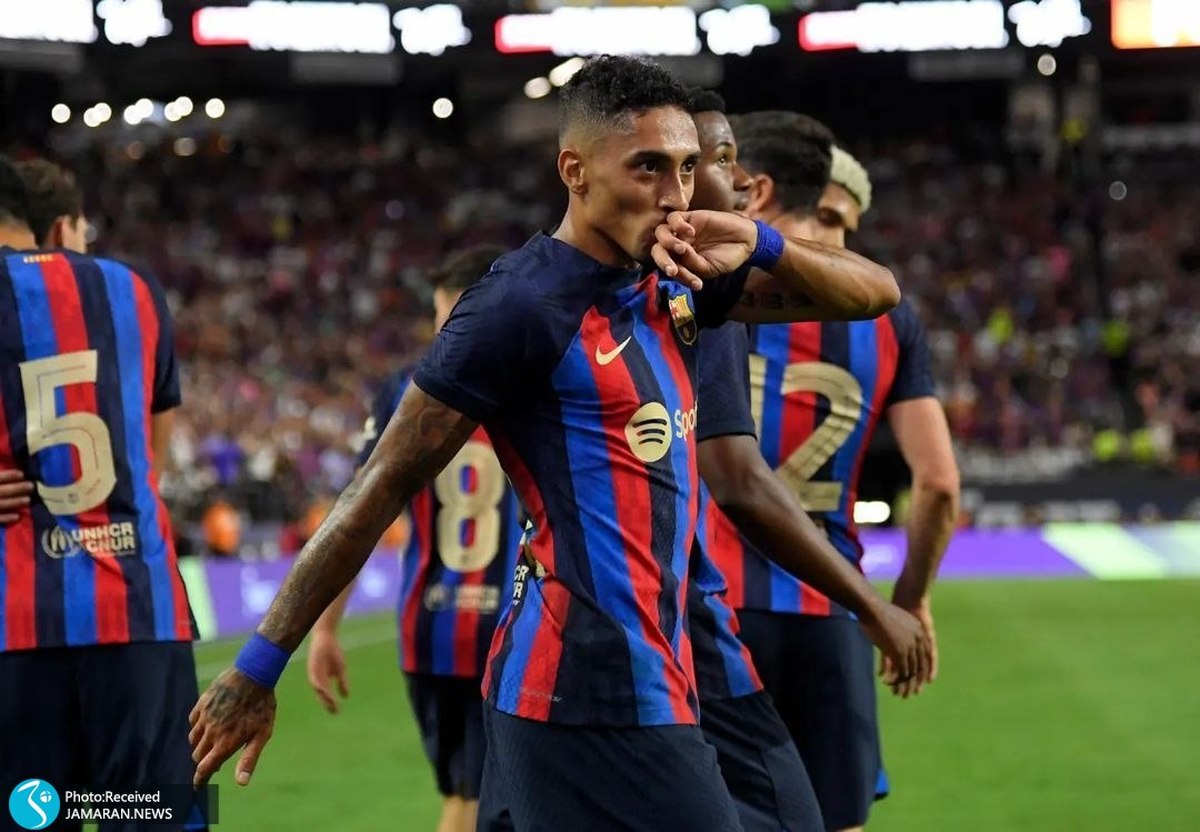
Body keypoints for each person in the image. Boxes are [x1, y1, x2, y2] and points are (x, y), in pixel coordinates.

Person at [189, 56, 926, 831]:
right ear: (574, 170)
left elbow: (877, 294)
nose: (676, 194)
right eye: (648, 168)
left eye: (685, 168)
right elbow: (379, 486)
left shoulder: (677, 280)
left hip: (669, 660)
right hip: (589, 682)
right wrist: (258, 667)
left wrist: (757, 239)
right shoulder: (518, 306)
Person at [684, 89, 932, 832]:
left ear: (755, 188)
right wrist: (903, 601)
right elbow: (940, 483)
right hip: (831, 605)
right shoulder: (884, 320)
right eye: (832, 219)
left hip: (710, 601)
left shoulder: (686, 285)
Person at [0, 155, 206, 830]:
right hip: (138, 614)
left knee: (34, 816)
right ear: (60, 226)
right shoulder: (132, 289)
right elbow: (153, 456)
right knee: (147, 817)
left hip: (15, 627)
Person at [306, 244, 522, 832]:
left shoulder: (408, 387)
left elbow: (360, 512)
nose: (438, 332)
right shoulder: (533, 376)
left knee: (466, 797)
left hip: (428, 632)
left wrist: (325, 627)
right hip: (507, 630)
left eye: (443, 316)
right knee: (485, 804)